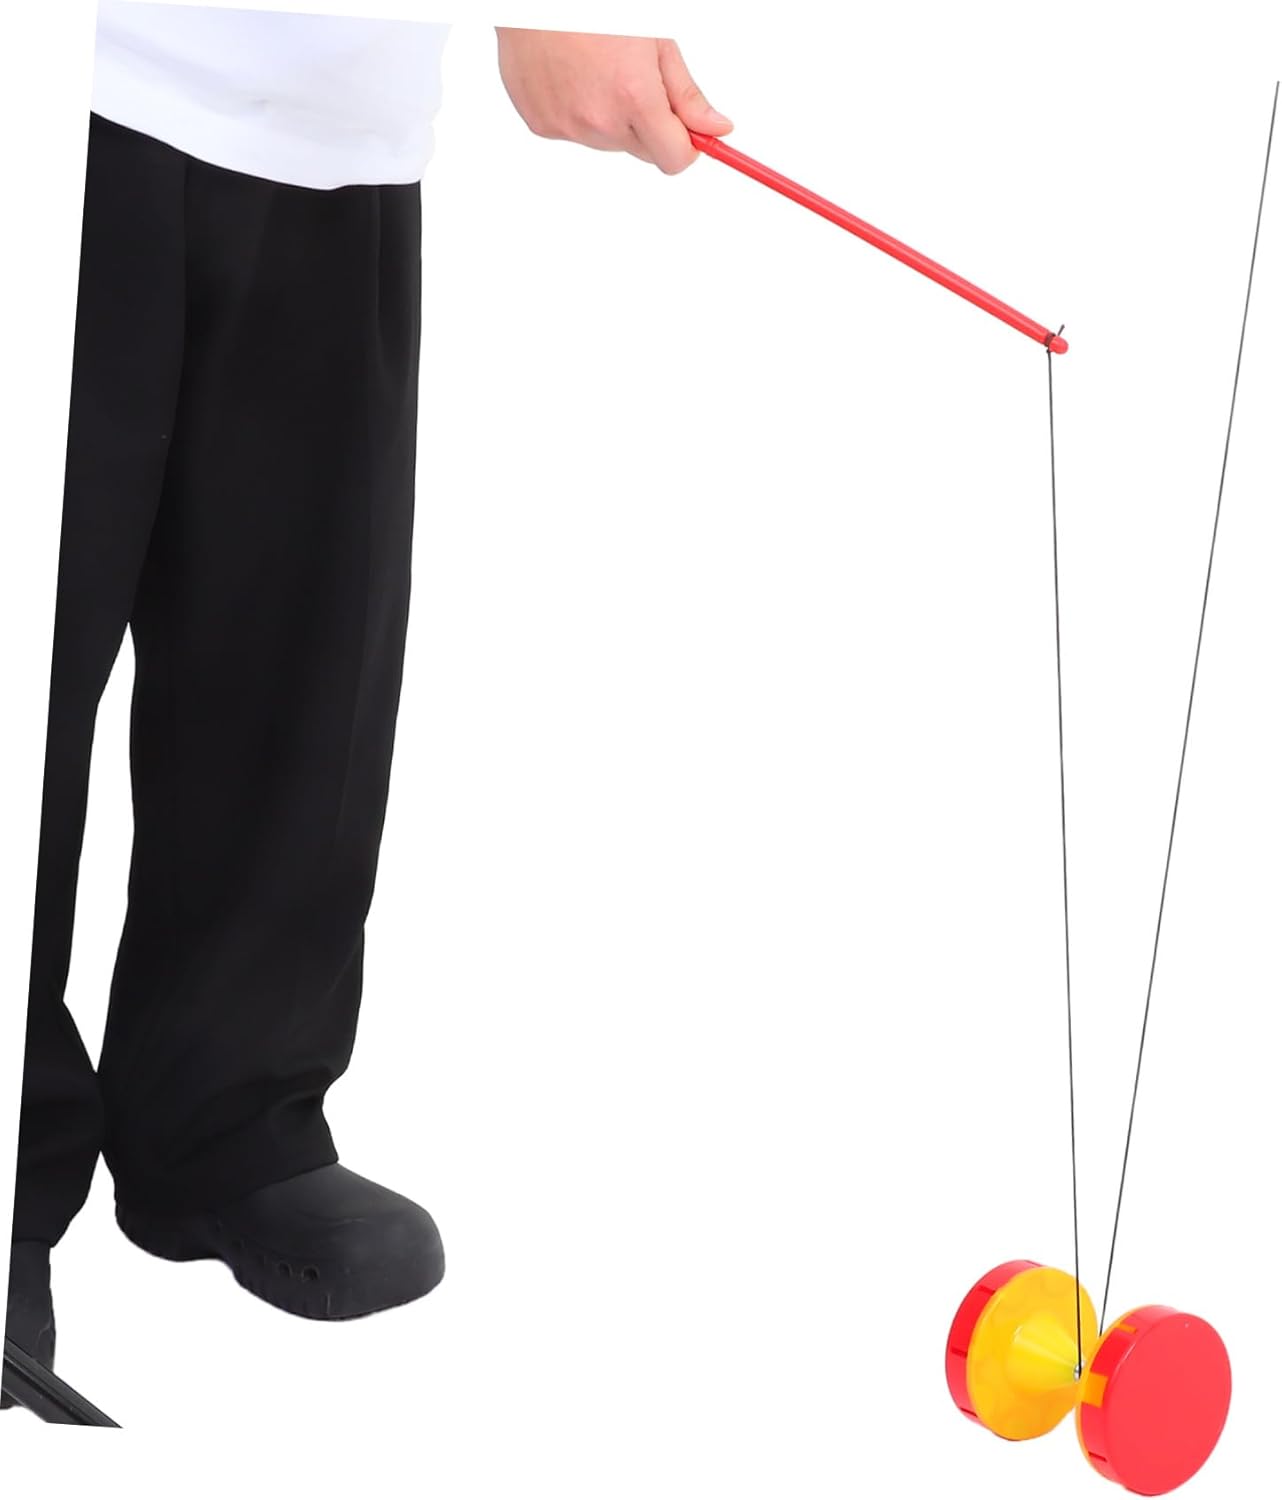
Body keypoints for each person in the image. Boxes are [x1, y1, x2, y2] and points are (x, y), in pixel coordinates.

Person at [3, 4, 732, 1393]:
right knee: (24, 659)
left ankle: (224, 1119)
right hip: (76, 87)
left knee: (296, 660)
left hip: (341, 122)